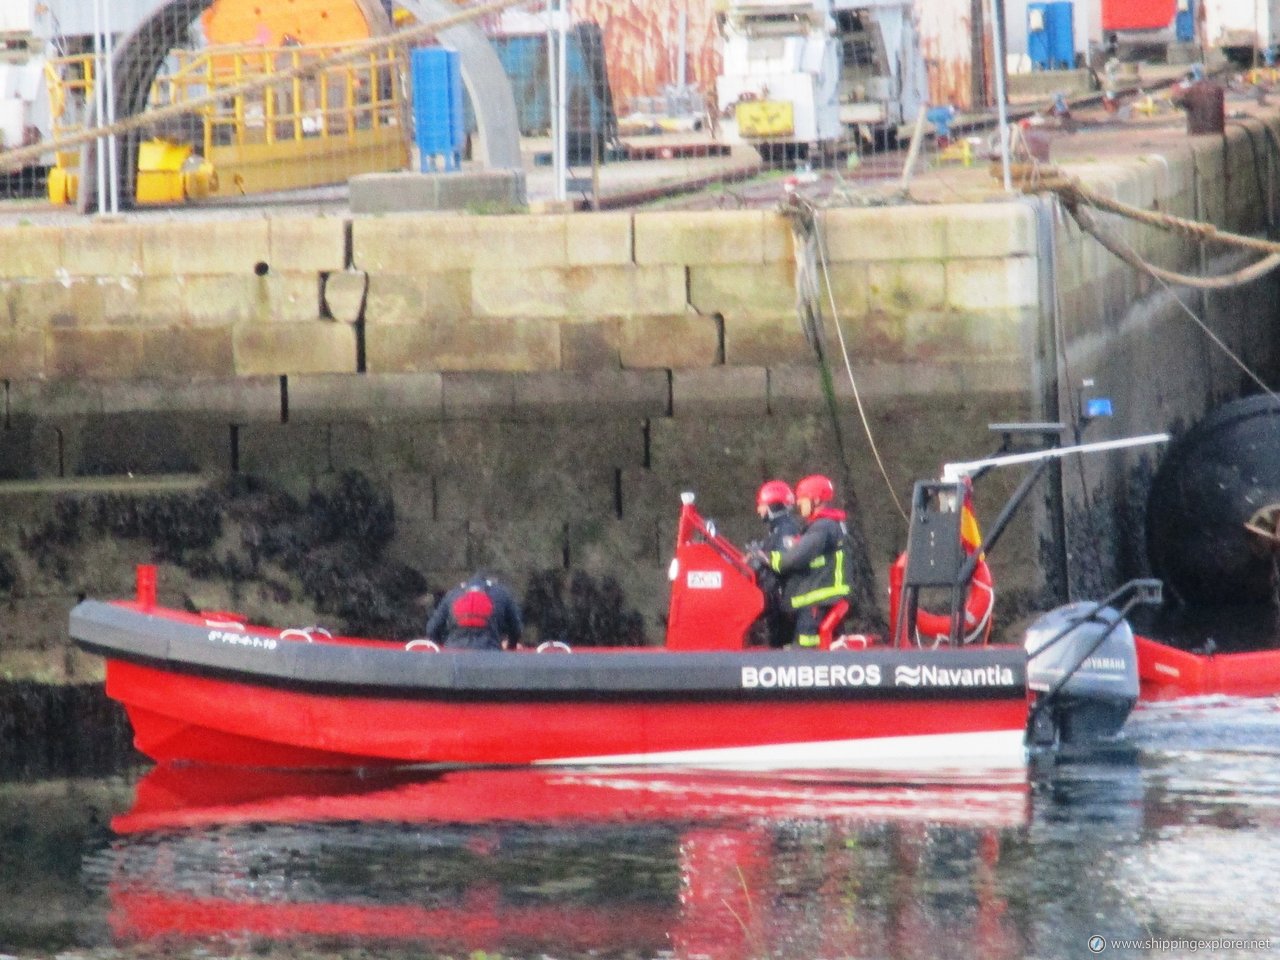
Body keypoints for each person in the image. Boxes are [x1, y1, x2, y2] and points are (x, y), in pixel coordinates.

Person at [768, 474, 851, 648]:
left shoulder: (823, 527)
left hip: (817, 601)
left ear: (816, 500)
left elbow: (794, 559)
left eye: (802, 500)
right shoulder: (826, 526)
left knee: (806, 655)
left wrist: (772, 559)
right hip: (821, 600)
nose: (798, 504)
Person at [748, 480, 803, 648]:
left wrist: (761, 557)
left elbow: (784, 561)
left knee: (779, 643)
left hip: (783, 600)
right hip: (778, 598)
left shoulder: (786, 530)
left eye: (762, 505)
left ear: (773, 506)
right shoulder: (778, 529)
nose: (759, 510)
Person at [425, 573, 523, 651]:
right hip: (489, 653)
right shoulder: (502, 594)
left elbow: (432, 629)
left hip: (455, 655)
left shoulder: (453, 594)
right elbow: (516, 629)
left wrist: (444, 647)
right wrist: (510, 648)